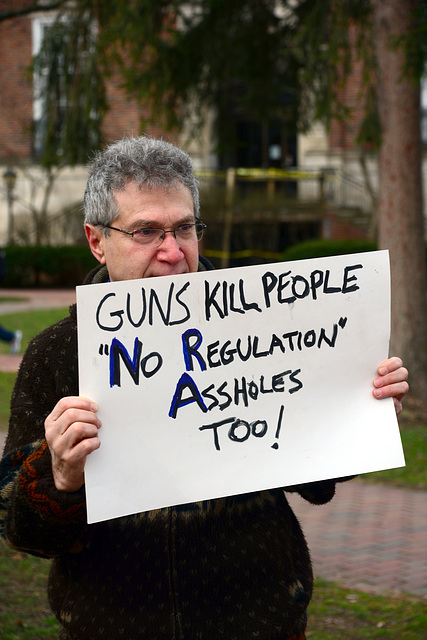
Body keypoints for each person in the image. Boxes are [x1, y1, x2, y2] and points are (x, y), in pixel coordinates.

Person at [0, 136, 409, 640]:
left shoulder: (264, 325)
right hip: (110, 626)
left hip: (260, 623)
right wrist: (59, 475)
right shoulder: (57, 353)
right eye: (146, 231)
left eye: (185, 228)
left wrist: (362, 409)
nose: (172, 252)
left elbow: (318, 482)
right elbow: (21, 531)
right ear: (97, 240)